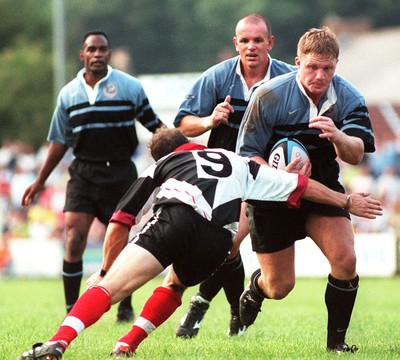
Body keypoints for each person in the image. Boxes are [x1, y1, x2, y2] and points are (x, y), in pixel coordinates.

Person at [17, 127, 382, 359]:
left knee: (109, 288)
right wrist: (347, 201)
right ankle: (126, 346)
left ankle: (58, 343)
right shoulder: (240, 162)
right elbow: (303, 186)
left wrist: (104, 271)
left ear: (166, 153)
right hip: (215, 243)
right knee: (174, 284)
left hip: (177, 215)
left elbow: (120, 220)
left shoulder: (165, 163)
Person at [236, 27, 376, 353]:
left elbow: (355, 153)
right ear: (298, 62)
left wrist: (338, 136)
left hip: (323, 186)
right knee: (280, 286)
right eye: (312, 67)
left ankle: (336, 344)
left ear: (336, 66)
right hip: (271, 194)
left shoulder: (349, 97)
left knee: (346, 258)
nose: (319, 75)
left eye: (327, 68)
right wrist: (276, 174)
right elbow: (247, 155)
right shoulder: (268, 95)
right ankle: (256, 289)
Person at [21, 30, 165, 323]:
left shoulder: (130, 88)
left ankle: (124, 304)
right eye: (92, 49)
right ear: (82, 55)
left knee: (121, 243)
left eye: (103, 49)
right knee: (74, 236)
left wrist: (179, 157)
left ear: (109, 55)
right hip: (84, 172)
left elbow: (156, 128)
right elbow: (59, 142)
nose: (98, 54)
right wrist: (40, 181)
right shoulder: (68, 95)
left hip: (121, 172)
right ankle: (71, 310)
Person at [173, 13, 296, 338]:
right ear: (235, 43)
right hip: (227, 179)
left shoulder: (289, 77)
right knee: (227, 246)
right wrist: (209, 122)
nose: (251, 47)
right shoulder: (217, 78)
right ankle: (233, 313)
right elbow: (182, 124)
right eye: (245, 40)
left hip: (268, 178)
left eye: (258, 40)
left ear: (270, 43)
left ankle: (200, 304)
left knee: (227, 243)